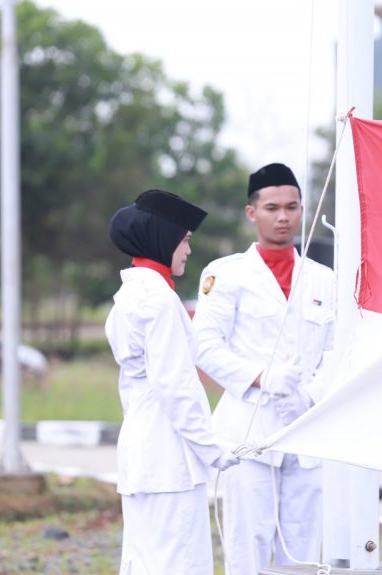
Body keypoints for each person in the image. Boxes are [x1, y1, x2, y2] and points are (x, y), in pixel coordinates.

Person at [193, 163, 335, 574]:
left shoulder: (323, 279)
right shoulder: (226, 273)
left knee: (303, 547)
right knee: (247, 544)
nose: (284, 217)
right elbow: (203, 344)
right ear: (251, 212)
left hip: (305, 427)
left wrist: (312, 396)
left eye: (292, 207)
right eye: (272, 207)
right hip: (248, 432)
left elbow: (335, 351)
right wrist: (259, 376)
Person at [105, 189, 240, 574]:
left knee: (144, 562)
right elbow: (175, 386)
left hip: (142, 452)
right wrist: (212, 448)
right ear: (163, 238)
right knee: (177, 564)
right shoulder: (158, 301)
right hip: (168, 459)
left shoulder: (130, 295)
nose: (188, 251)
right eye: (185, 240)